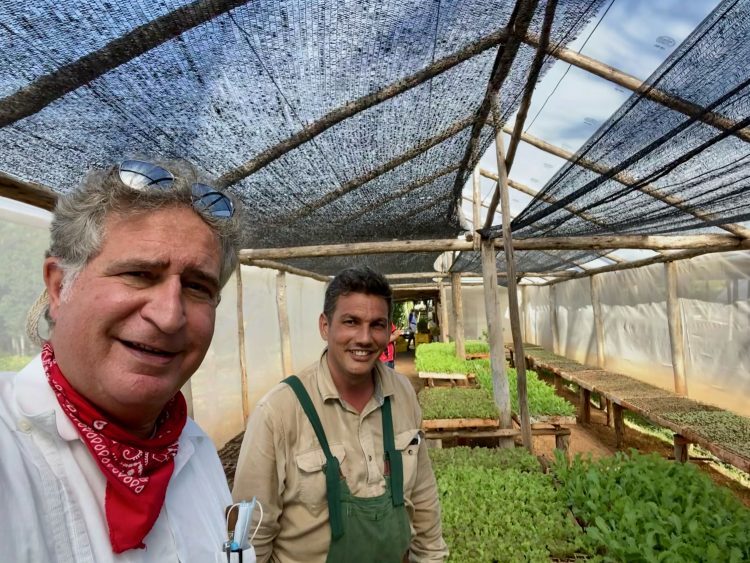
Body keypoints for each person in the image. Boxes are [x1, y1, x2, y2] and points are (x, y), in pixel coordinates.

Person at [0, 159, 248, 561]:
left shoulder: (193, 448)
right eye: (139, 273)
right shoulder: (10, 450)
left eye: (197, 286)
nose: (169, 316)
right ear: (60, 286)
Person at [232, 267, 448, 562]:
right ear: (325, 326)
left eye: (377, 325)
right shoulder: (279, 412)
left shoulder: (402, 393)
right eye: (351, 322)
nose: (364, 338)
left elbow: (423, 494)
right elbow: (252, 537)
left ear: (388, 331)